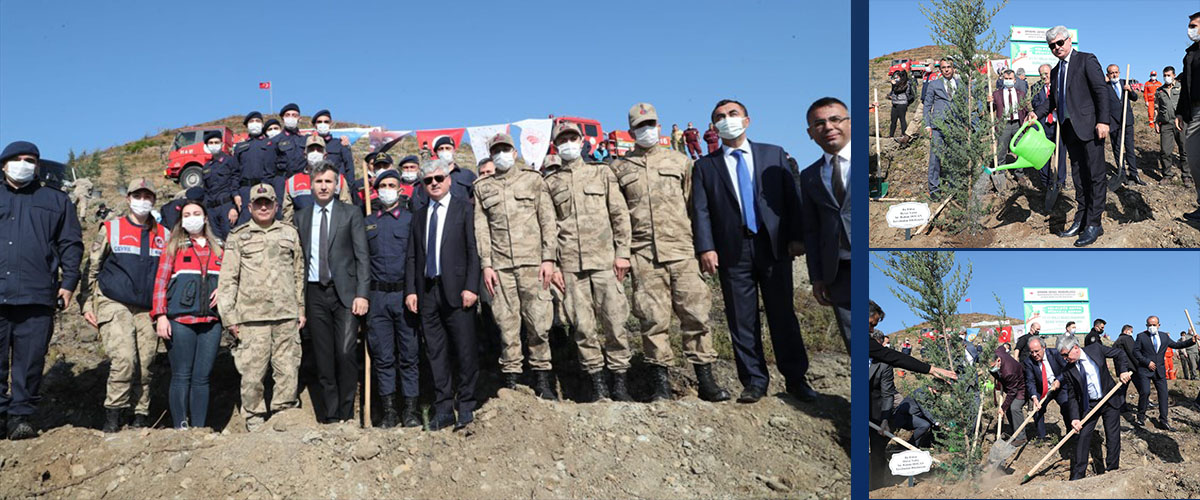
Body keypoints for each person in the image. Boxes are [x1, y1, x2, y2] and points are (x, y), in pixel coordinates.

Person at [693, 98, 810, 404]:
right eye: (720, 117)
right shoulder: (706, 166)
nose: (727, 119)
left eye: (733, 114)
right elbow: (701, 210)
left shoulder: (772, 154)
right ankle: (754, 380)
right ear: (714, 126)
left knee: (783, 314)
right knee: (741, 320)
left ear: (747, 120)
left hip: (773, 245)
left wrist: (797, 237)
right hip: (733, 251)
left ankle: (797, 379)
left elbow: (791, 198)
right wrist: (706, 247)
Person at [611, 102, 730, 403]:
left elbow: (695, 208)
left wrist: (704, 247)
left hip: (683, 251)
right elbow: (618, 216)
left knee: (696, 315)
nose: (646, 130)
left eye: (650, 124)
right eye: (640, 126)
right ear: (631, 131)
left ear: (659, 126)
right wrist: (622, 253)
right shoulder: (619, 169)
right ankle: (660, 384)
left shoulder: (680, 162)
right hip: (643, 255)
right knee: (652, 321)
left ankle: (706, 381)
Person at [544, 122, 634, 402]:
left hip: (606, 261)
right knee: (583, 328)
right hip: (571, 266)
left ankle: (620, 384)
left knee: (615, 323)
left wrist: (623, 253)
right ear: (557, 147)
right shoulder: (551, 183)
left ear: (582, 140)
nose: (568, 143)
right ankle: (598, 387)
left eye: (572, 137)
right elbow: (549, 227)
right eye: (563, 140)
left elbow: (619, 214)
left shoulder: (602, 173)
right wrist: (554, 264)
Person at [0, 141, 83, 439]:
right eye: (18, 159)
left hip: (37, 294)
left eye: (31, 160)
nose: (25, 164)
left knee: (30, 361)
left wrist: (68, 284)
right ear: (4, 164)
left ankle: (20, 418)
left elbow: (71, 244)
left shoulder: (55, 200)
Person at [473, 133, 560, 399]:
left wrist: (549, 259)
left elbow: (547, 220)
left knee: (539, 325)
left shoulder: (533, 180)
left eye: (505, 149)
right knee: (507, 326)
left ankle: (542, 381)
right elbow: (482, 229)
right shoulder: (482, 187)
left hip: (533, 265)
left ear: (514, 152)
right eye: (496, 150)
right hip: (501, 268)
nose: (501, 154)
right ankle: (512, 382)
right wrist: (486, 264)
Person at [217, 183, 306, 431]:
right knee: (252, 374)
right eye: (258, 203)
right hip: (251, 318)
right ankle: (254, 418)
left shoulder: (290, 233)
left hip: (286, 315)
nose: (264, 206)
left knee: (287, 369)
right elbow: (228, 280)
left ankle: (284, 414)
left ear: (277, 205)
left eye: (268, 202)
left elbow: (298, 272)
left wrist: (300, 308)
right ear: (249, 207)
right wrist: (229, 318)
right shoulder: (238, 236)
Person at [82, 178, 168, 432]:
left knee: (145, 363)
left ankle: (140, 415)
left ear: (153, 200)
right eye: (137, 196)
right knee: (124, 359)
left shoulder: (164, 234)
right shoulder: (111, 228)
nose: (143, 201)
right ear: (128, 199)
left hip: (146, 307)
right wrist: (87, 301)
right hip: (114, 301)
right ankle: (114, 416)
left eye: (147, 197)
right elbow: (92, 267)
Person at [404, 158, 481, 431]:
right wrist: (411, 291)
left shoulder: (464, 209)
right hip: (428, 291)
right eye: (428, 181)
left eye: (439, 178)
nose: (434, 183)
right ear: (423, 185)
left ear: (449, 180)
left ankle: (468, 405)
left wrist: (472, 286)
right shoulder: (420, 215)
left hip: (459, 291)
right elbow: (413, 255)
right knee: (436, 353)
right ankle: (444, 408)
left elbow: (474, 250)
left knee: (465, 350)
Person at [296, 163, 370, 424]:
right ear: (311, 184)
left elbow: (362, 256)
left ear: (337, 184)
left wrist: (362, 293)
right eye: (319, 181)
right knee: (323, 356)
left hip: (346, 295)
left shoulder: (350, 214)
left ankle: (347, 412)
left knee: (346, 352)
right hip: (315, 294)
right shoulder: (301, 217)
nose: (324, 186)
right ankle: (330, 414)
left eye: (329, 181)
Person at [1032, 26, 1112, 247]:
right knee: (1078, 177)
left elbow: (1100, 91)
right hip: (1069, 131)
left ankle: (1094, 223)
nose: (1056, 48)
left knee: (1095, 175)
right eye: (1052, 46)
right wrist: (1035, 114)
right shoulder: (1056, 71)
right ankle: (1082, 218)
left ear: (1069, 40)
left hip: (1090, 127)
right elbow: (1052, 102)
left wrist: (1103, 120)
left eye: (1059, 43)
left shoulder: (1086, 60)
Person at [151, 199, 222, 430]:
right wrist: (160, 315)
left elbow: (233, 277)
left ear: (206, 218)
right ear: (181, 220)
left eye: (197, 213)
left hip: (211, 321)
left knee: (202, 378)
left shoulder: (219, 247)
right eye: (187, 214)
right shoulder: (173, 246)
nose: (192, 217)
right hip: (180, 321)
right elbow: (161, 282)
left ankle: (199, 429)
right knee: (181, 375)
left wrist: (224, 289)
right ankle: (181, 427)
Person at [364, 169, 420, 428]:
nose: (386, 189)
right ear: (376, 191)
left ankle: (411, 410)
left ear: (400, 190)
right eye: (382, 185)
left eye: (391, 185)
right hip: (377, 299)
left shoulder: (411, 220)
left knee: (409, 354)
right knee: (383, 356)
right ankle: (389, 411)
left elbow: (417, 259)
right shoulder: (368, 223)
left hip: (404, 296)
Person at [799, 97, 853, 355]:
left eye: (835, 119)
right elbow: (811, 230)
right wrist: (817, 276)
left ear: (849, 123)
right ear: (811, 133)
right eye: (819, 123)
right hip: (837, 271)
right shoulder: (809, 176)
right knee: (854, 342)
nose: (829, 127)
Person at [1056, 334, 1131, 480]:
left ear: (1075, 348)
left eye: (1066, 354)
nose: (1065, 358)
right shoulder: (1067, 370)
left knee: (1113, 435)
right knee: (1083, 436)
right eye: (1062, 356)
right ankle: (1078, 476)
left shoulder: (1096, 349)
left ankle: (1112, 470)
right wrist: (1075, 418)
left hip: (1110, 398)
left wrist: (1122, 370)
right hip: (1090, 405)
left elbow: (1120, 353)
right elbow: (1072, 397)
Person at [1132, 316, 1197, 430]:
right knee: (1145, 392)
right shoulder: (1141, 336)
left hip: (1160, 371)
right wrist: (1147, 362)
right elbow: (1135, 352)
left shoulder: (1164, 337)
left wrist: (1191, 341)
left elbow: (1176, 345)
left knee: (1163, 395)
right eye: (1149, 325)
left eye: (1153, 325)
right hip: (1145, 370)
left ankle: (1164, 420)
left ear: (1159, 325)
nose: (1151, 327)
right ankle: (1140, 418)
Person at [281, 135, 352, 224]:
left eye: (319, 150)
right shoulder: (292, 182)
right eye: (311, 150)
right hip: (302, 233)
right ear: (305, 154)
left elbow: (347, 210)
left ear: (325, 155)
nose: (315, 152)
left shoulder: (338, 179)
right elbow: (287, 217)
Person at [923, 59, 960, 198]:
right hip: (938, 127)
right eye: (943, 67)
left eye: (949, 67)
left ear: (953, 68)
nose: (946, 70)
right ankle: (934, 190)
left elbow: (967, 105)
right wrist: (927, 125)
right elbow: (927, 106)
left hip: (955, 126)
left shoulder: (960, 85)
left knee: (953, 158)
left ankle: (953, 189)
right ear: (940, 69)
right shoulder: (934, 85)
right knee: (935, 158)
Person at [234, 111, 275, 227]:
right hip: (245, 191)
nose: (255, 123)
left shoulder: (271, 144)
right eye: (251, 121)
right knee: (246, 225)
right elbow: (235, 172)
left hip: (266, 189)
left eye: (258, 121)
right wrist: (235, 194)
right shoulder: (239, 147)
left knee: (266, 222)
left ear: (262, 125)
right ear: (247, 126)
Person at [1032, 63, 1069, 191]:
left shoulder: (1058, 85)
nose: (1045, 76)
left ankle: (1060, 181)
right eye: (1042, 74)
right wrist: (1049, 106)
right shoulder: (1035, 87)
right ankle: (1046, 182)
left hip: (1059, 125)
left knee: (1060, 154)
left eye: (1046, 73)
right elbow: (1035, 104)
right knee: (1044, 155)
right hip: (1044, 127)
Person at [411, 137, 476, 211]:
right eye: (441, 149)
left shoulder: (467, 175)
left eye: (448, 148)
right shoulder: (429, 176)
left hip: (463, 217)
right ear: (436, 153)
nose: (444, 151)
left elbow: (476, 199)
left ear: (454, 151)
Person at [1022, 336, 1067, 441]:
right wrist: (1034, 397)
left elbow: (1066, 368)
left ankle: (1071, 433)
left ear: (1044, 347)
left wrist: (1059, 380)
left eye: (1037, 351)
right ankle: (1041, 437)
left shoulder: (1055, 353)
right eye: (1031, 352)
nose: (1034, 355)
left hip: (1059, 387)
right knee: (1037, 410)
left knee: (1067, 406)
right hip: (1042, 389)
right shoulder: (1029, 362)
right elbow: (1030, 381)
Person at [1105, 64, 1143, 185]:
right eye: (1111, 73)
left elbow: (1135, 98)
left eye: (1116, 72)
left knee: (1130, 148)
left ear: (1119, 72)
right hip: (1114, 122)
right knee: (1117, 148)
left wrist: (1130, 90)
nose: (1114, 75)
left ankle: (1134, 174)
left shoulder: (1124, 83)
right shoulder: (1105, 87)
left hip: (1127, 121)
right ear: (1108, 75)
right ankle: (1121, 173)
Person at [199, 131, 241, 240]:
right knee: (216, 241)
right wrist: (206, 212)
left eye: (216, 142)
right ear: (207, 146)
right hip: (211, 209)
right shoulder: (206, 166)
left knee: (230, 239)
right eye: (211, 143)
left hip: (226, 207)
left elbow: (235, 183)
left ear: (222, 144)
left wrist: (233, 208)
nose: (214, 145)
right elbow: (206, 190)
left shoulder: (230, 161)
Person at [1181, 12, 1200, 221]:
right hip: (1195, 111)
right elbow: (1185, 86)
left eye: (1194, 25)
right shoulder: (1190, 54)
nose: (1190, 29)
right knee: (1194, 159)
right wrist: (1180, 111)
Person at [1156, 66, 1191, 183]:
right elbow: (1157, 108)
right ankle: (1167, 175)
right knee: (1165, 150)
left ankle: (1186, 175)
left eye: (1168, 75)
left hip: (1180, 123)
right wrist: (1156, 122)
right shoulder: (1160, 91)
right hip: (1166, 124)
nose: (1167, 78)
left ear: (1174, 76)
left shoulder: (1181, 88)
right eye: (1165, 75)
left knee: (1184, 149)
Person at [991, 69, 1031, 168]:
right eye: (1006, 78)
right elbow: (990, 109)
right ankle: (1001, 170)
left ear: (1014, 80)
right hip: (1003, 125)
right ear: (1003, 79)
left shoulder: (1021, 93)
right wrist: (989, 102)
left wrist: (1029, 114)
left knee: (1020, 149)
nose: (1008, 80)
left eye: (1010, 78)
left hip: (1018, 125)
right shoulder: (996, 94)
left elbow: (1026, 109)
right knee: (1002, 149)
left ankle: (1019, 172)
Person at [989, 345, 1027, 442]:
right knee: (1009, 409)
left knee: (1014, 408)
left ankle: (1021, 437)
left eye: (992, 366)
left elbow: (1012, 392)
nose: (991, 368)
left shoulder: (1009, 372)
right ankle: (1015, 431)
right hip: (1011, 384)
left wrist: (1003, 407)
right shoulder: (998, 352)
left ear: (998, 360)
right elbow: (1002, 347)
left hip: (1021, 387)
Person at [273, 103, 308, 199]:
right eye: (288, 115)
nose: (291, 118)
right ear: (282, 118)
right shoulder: (275, 140)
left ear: (299, 118)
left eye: (294, 115)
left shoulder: (305, 140)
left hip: (302, 182)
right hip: (282, 183)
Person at [312, 110, 355, 184]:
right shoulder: (308, 144)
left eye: (326, 122)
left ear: (330, 124)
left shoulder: (340, 144)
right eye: (319, 122)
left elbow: (349, 168)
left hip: (336, 188)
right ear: (314, 125)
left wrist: (348, 188)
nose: (323, 124)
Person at [886, 70, 912, 137]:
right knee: (893, 120)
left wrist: (895, 84)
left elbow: (900, 89)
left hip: (902, 103)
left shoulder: (906, 83)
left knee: (902, 119)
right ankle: (891, 135)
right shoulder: (897, 83)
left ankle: (904, 135)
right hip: (895, 103)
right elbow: (893, 91)